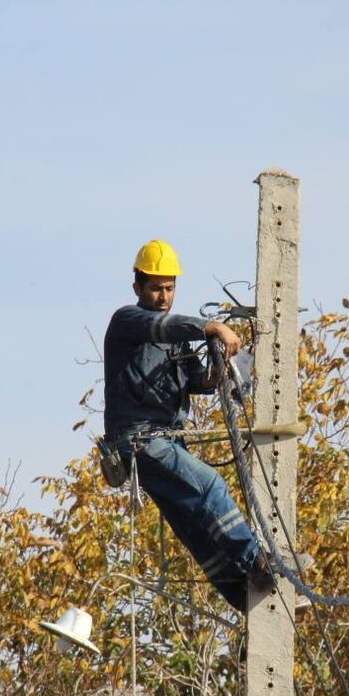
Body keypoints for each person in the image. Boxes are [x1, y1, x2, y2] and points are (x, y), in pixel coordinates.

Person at [103, 239, 270, 612]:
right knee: (209, 484)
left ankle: (247, 600)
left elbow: (198, 382)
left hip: (167, 445)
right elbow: (164, 327)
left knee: (197, 529)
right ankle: (256, 558)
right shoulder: (129, 322)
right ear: (138, 289)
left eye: (169, 288)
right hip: (139, 441)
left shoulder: (177, 340)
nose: (164, 296)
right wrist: (214, 327)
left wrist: (218, 372)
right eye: (156, 288)